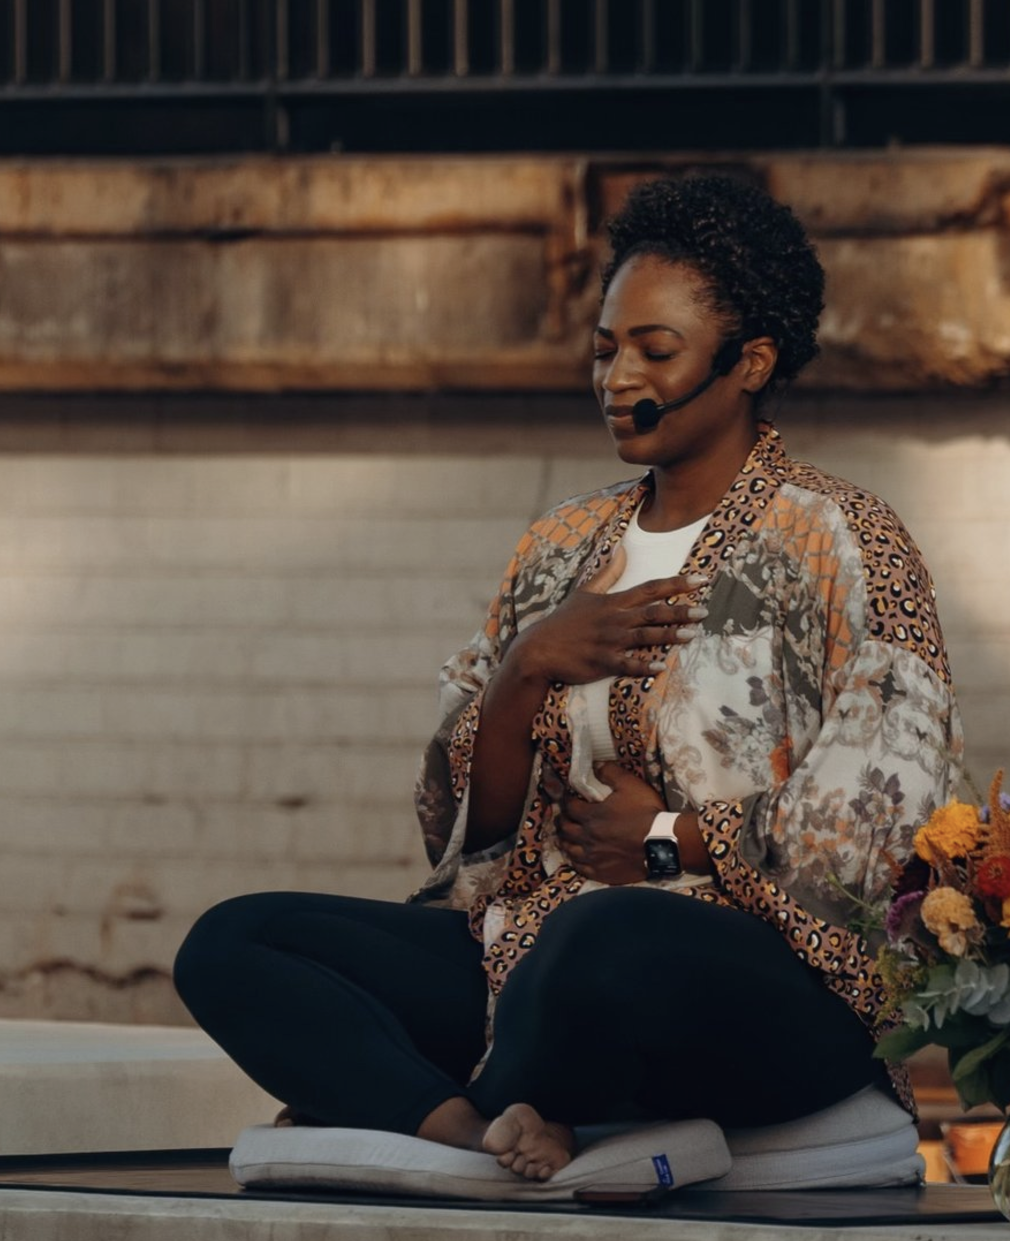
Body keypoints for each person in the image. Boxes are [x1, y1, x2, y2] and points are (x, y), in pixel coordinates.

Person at [174, 172, 963, 1184]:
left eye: (654, 350)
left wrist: (670, 842)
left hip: (752, 990)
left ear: (748, 362)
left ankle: (451, 1098)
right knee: (237, 944)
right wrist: (520, 673)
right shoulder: (557, 547)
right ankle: (474, 1132)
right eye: (603, 349)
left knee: (610, 940)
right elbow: (463, 836)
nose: (615, 375)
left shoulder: (844, 544)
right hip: (526, 956)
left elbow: (877, 827)